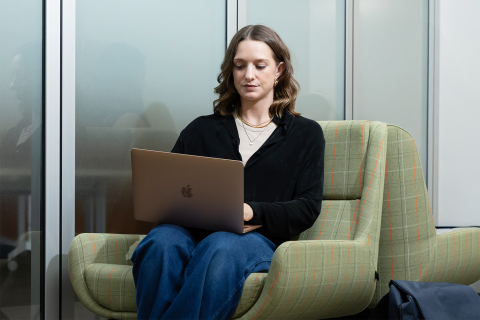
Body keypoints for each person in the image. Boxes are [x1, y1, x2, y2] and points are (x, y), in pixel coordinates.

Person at [131, 25, 325, 320]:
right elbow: (168, 188)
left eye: (260, 65)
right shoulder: (201, 129)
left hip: (256, 238)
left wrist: (251, 211)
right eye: (240, 65)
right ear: (230, 71)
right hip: (192, 228)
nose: (249, 75)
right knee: (160, 243)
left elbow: (307, 208)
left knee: (218, 247)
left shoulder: (305, 134)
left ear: (279, 69)